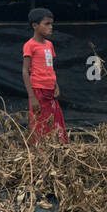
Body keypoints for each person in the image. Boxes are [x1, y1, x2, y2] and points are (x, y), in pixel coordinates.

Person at [22, 7, 67, 143]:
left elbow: (50, 67)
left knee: (56, 124)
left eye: (51, 24)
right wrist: (32, 97)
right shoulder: (29, 45)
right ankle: (40, 155)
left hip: (50, 91)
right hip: (38, 91)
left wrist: (56, 85)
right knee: (40, 125)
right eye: (46, 24)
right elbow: (25, 70)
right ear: (35, 26)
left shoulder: (49, 45)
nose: (50, 27)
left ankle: (57, 153)